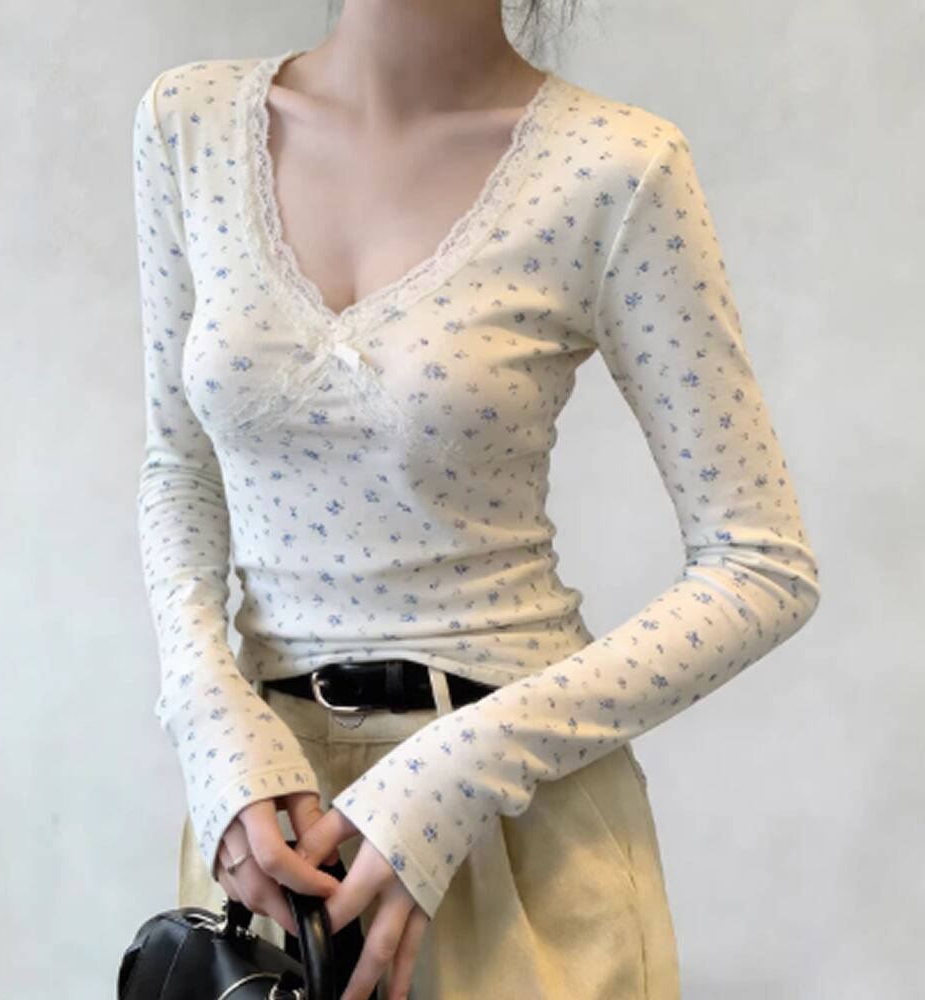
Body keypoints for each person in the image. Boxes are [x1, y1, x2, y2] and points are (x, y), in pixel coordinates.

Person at [131, 3, 821, 998]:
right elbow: (180, 467)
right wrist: (208, 722)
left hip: (516, 829)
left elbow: (761, 563)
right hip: (267, 837)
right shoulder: (187, 123)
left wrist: (455, 770)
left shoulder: (616, 167)